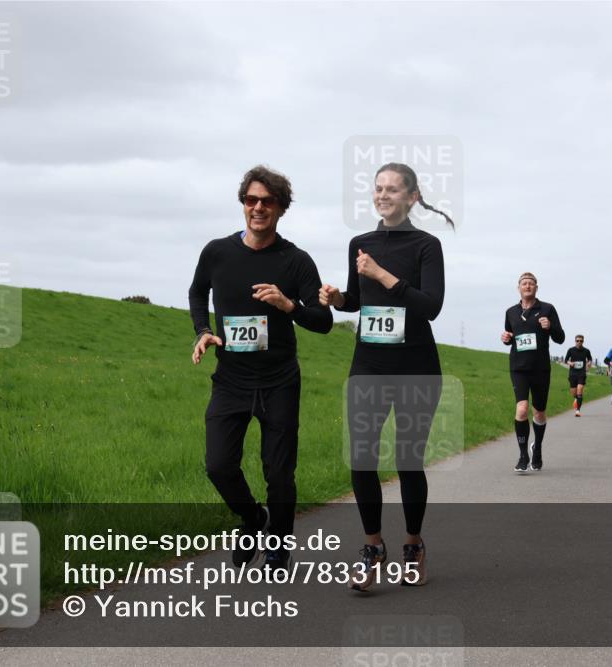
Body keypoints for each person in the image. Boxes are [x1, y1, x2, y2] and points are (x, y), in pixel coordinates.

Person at [189, 165, 332, 572]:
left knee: (280, 473)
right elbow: (198, 291)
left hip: (279, 381)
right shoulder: (217, 252)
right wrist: (203, 330)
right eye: (251, 200)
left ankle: (279, 546)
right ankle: (254, 519)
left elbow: (321, 322)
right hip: (231, 380)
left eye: (267, 202)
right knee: (218, 465)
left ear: (281, 208)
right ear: (243, 204)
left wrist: (289, 305)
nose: (258, 208)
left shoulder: (296, 261)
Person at [319, 162, 451, 591]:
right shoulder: (360, 242)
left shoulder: (426, 245)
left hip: (415, 364)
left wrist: (381, 274)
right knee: (362, 456)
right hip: (369, 364)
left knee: (407, 459)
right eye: (378, 189)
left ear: (412, 197)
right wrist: (338, 298)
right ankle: (373, 547)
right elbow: (359, 300)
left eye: (393, 189)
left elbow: (430, 305)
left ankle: (413, 544)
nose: (383, 195)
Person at [501, 273, 565, 471]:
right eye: (524, 283)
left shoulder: (547, 309)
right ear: (518, 288)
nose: (527, 286)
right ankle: (522, 456)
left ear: (536, 287)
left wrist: (550, 326)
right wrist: (506, 338)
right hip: (518, 367)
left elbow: (560, 338)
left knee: (539, 412)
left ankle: (537, 449)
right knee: (521, 409)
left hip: (540, 368)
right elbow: (512, 336)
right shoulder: (511, 312)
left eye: (531, 283)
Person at [564, 335, 593, 417]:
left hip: (581, 373)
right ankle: (576, 398)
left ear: (583, 341)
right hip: (573, 373)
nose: (579, 342)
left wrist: (589, 364)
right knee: (574, 393)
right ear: (575, 341)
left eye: (581, 341)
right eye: (577, 340)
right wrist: (570, 363)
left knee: (580, 389)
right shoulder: (571, 350)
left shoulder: (586, 351)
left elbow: (590, 359)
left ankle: (578, 410)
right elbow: (565, 360)